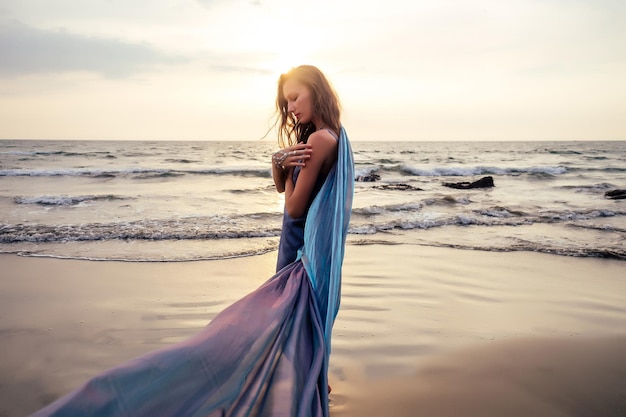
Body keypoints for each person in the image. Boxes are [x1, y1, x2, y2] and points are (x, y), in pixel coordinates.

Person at [31, 65, 354, 417]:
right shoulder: (331, 136)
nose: (290, 107)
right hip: (300, 248)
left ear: (316, 90)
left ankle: (152, 393)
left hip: (298, 253)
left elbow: (292, 207)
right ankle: (314, 389)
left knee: (251, 332)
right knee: (297, 329)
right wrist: (279, 164)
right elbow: (283, 186)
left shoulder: (319, 140)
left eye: (295, 97)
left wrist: (283, 168)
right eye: (286, 101)